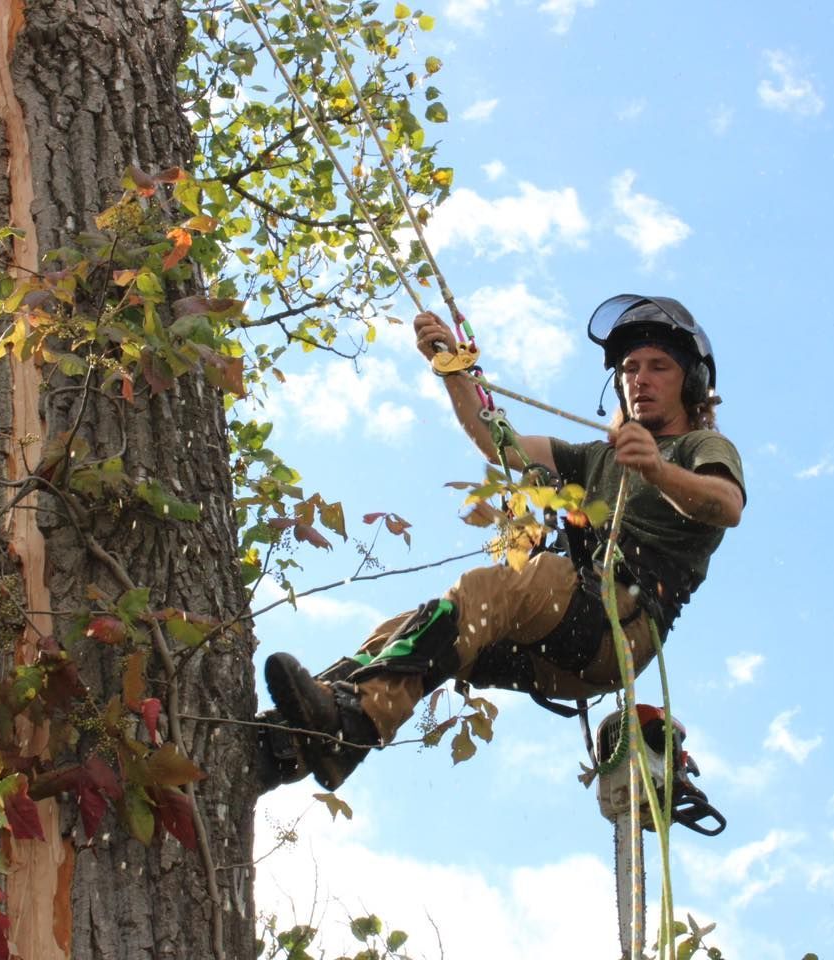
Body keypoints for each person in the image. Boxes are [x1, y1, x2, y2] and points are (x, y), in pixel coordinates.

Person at [256, 294, 746, 791]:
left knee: (497, 586)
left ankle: (355, 725)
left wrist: (659, 471)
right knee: (417, 625)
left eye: (658, 366)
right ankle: (292, 739)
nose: (639, 377)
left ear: (693, 383)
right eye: (629, 367)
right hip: (558, 644)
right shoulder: (600, 457)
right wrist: (450, 368)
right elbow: (499, 445)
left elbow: (726, 504)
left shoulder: (700, 447)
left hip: (618, 628)